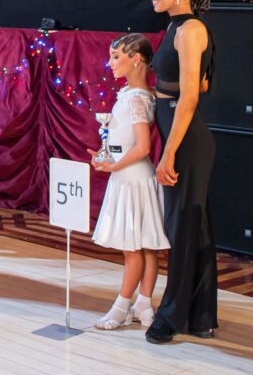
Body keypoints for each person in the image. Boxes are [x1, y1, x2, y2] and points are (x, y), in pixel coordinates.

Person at [144, 0, 217, 344]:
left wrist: (169, 153)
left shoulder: (189, 30)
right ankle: (200, 316)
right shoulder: (179, 27)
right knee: (196, 228)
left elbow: (191, 96)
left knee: (183, 230)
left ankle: (170, 318)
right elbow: (200, 85)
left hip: (185, 140)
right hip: (182, 132)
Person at [89, 33, 169, 330]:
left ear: (136, 59)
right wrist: (105, 154)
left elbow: (143, 147)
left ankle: (121, 306)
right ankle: (144, 303)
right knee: (146, 246)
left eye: (115, 56)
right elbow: (125, 141)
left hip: (133, 176)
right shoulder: (131, 94)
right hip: (130, 173)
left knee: (134, 248)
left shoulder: (137, 98)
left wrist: (114, 166)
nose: (109, 63)